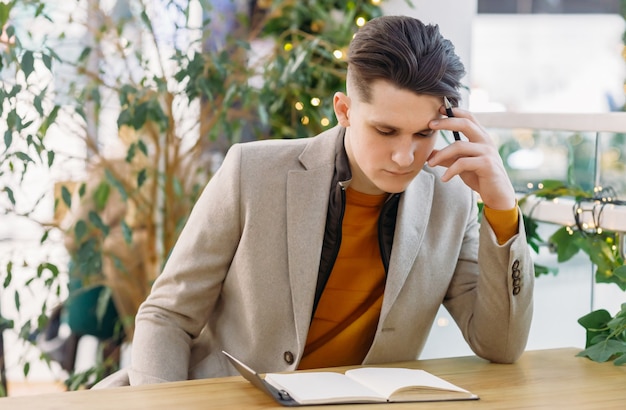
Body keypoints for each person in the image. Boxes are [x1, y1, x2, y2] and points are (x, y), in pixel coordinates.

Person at [95, 14, 533, 387]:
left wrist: (501, 208)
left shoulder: (452, 196)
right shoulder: (252, 171)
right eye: (385, 131)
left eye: (423, 133)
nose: (406, 156)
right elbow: (167, 316)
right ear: (344, 111)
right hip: (223, 398)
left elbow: (500, 345)